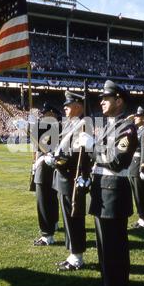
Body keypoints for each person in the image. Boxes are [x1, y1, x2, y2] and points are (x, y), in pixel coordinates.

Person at [86, 80, 138, 286]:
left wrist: (93, 148)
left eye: (106, 98)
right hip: (102, 191)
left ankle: (115, 283)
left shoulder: (127, 128)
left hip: (113, 194)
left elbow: (117, 161)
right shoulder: (109, 127)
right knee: (104, 247)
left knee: (114, 246)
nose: (102, 102)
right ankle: (108, 281)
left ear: (118, 100)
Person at [45, 91, 90, 271]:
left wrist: (56, 160)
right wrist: (54, 154)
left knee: (74, 217)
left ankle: (77, 256)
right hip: (63, 178)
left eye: (68, 105)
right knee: (68, 217)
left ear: (78, 106)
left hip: (71, 177)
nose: (64, 107)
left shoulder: (82, 125)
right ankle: (72, 254)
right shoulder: (71, 124)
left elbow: (77, 154)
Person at [33, 103, 61, 246]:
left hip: (45, 167)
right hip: (45, 166)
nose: (42, 116)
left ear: (52, 114)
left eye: (45, 114)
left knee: (43, 200)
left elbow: (43, 147)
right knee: (51, 198)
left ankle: (46, 235)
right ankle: (54, 223)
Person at [129, 106, 144, 229]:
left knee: (141, 194)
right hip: (133, 166)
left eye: (138, 116)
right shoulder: (138, 130)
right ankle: (141, 218)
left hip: (139, 166)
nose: (135, 117)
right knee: (137, 194)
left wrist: (143, 168)